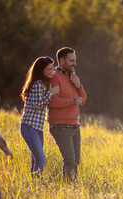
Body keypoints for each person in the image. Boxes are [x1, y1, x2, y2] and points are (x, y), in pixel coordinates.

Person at [48, 47, 87, 182]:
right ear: (61, 60)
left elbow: (83, 100)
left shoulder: (72, 77)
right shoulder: (54, 77)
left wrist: (78, 85)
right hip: (60, 126)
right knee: (70, 161)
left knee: (76, 161)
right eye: (71, 61)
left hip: (74, 126)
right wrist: (73, 101)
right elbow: (52, 101)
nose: (74, 63)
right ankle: (69, 190)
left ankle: (72, 190)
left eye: (75, 60)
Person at [20, 56, 60, 178]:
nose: (52, 71)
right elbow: (38, 104)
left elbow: (57, 69)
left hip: (37, 128)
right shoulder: (38, 85)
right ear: (41, 70)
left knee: (35, 158)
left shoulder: (43, 83)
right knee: (41, 158)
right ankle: (37, 182)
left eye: (52, 69)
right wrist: (50, 93)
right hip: (29, 126)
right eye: (49, 69)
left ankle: (34, 184)